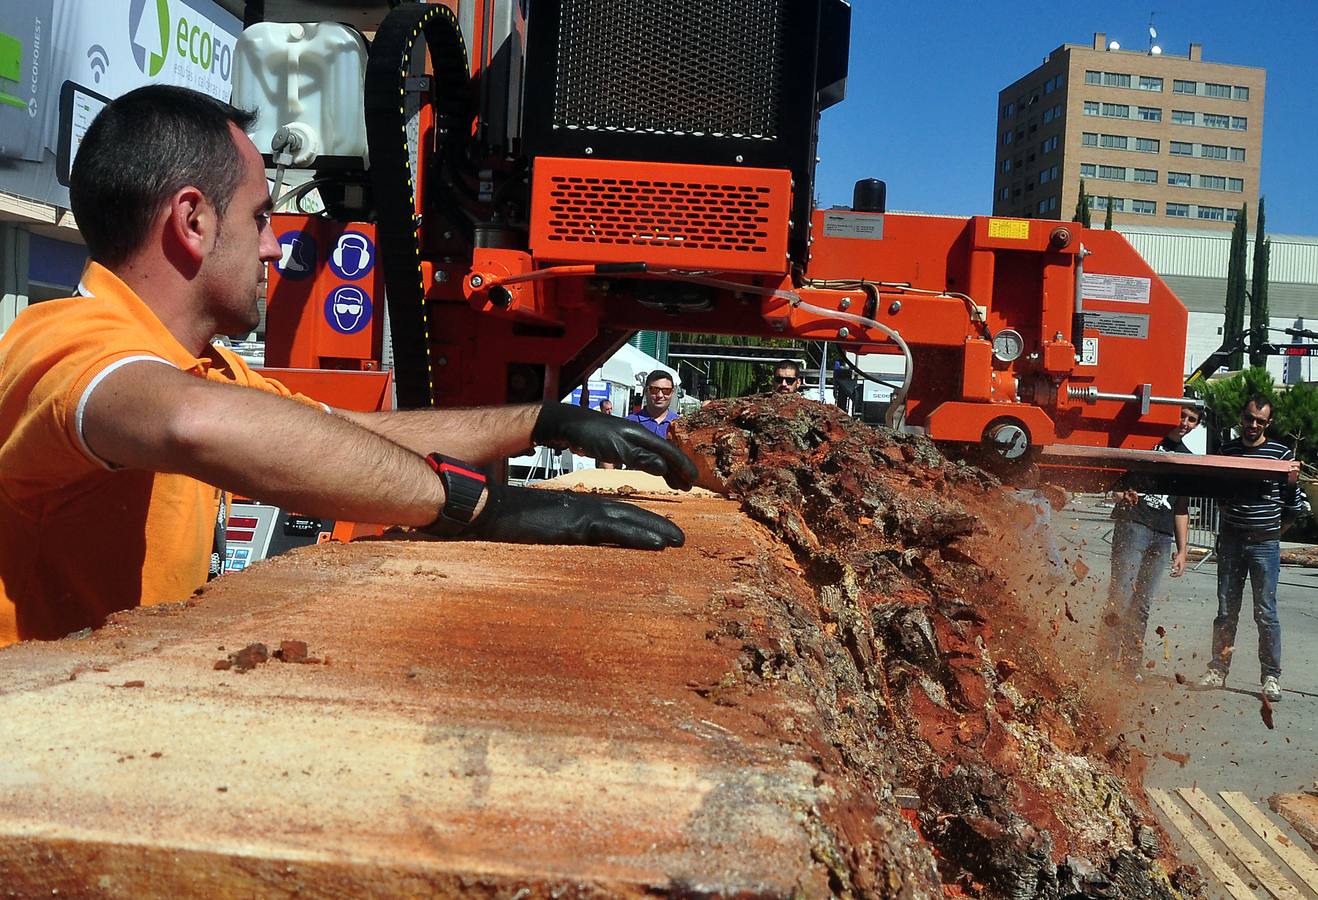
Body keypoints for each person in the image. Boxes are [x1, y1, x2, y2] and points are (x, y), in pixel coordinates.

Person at [0, 86, 697, 649]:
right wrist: (475, 507)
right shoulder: (60, 339)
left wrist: (541, 423)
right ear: (192, 220)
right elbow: (193, 424)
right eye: (262, 217)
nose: (274, 248)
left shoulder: (205, 371)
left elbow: (352, 436)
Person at [1196, 396, 1304, 701]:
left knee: (1265, 613)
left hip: (1264, 545)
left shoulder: (1280, 453)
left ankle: (1271, 676)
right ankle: (1218, 669)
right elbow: (1219, 493)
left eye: (1260, 420)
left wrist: (1271, 532)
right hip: (1231, 541)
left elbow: (1293, 507)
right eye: (1249, 418)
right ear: (1241, 418)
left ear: (1268, 423)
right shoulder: (1228, 451)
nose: (1253, 425)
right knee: (1226, 611)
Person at [1104, 406, 1201, 677]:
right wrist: (1119, 495)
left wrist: (1182, 550)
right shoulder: (1145, 443)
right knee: (1121, 595)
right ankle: (1105, 659)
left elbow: (1181, 508)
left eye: (1192, 420)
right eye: (1182, 415)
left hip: (1162, 535)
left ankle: (1132, 663)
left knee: (1142, 603)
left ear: (1196, 425)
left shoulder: (1186, 459)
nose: (1185, 423)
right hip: (1134, 524)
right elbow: (1114, 480)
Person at [626, 370, 680, 438]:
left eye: (666, 390)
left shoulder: (681, 424)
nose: (660, 395)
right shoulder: (628, 423)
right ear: (646, 391)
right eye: (654, 389)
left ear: (672, 393)